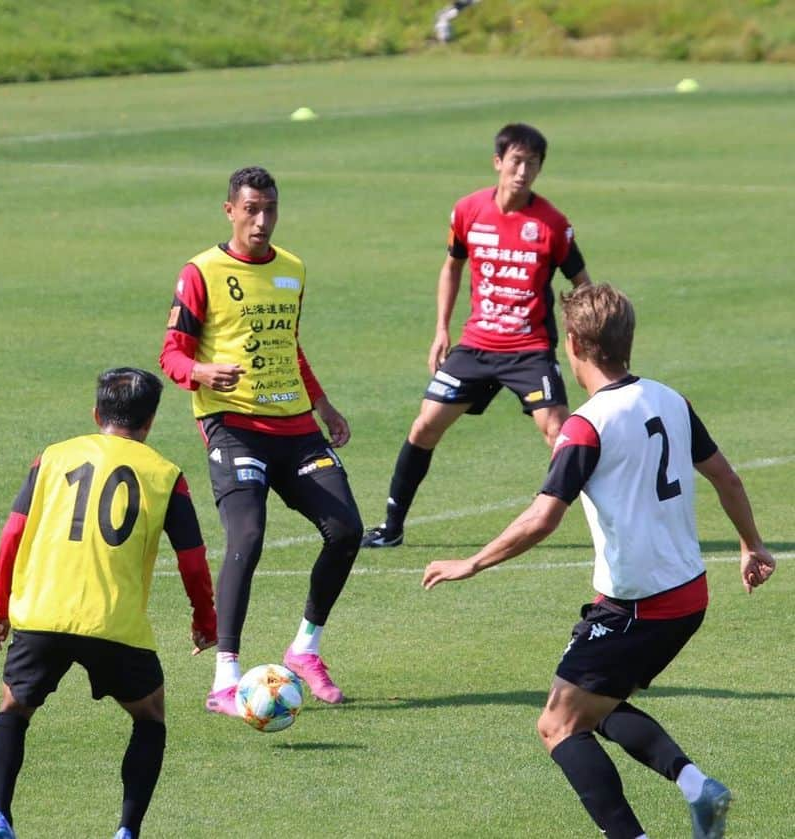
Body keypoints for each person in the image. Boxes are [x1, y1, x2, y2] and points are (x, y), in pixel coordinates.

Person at [422, 284, 775, 839]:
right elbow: (726, 477)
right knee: (599, 706)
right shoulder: (670, 399)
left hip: (638, 609)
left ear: (573, 345)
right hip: (689, 596)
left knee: (558, 725)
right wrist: (751, 544)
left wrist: (472, 562)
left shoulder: (585, 426)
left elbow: (541, 519)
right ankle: (697, 787)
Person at [159, 165, 363, 713]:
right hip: (232, 425)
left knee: (346, 530)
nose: (262, 220)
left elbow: (288, 346)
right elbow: (172, 353)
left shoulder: (292, 270)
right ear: (230, 210)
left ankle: (305, 649)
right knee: (247, 536)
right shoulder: (200, 272)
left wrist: (321, 403)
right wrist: (201, 374)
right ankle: (225, 679)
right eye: (251, 209)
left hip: (295, 426)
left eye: (270, 209)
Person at [0, 368, 217, 839]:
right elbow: (192, 558)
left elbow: (12, 534)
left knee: (12, 711)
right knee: (149, 717)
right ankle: (127, 830)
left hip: (43, 615)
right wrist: (204, 619)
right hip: (115, 623)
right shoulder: (166, 475)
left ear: (95, 415)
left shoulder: (51, 458)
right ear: (150, 422)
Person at [362, 123, 592, 548]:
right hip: (476, 345)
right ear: (498, 163)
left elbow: (583, 285)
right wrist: (440, 329)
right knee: (425, 425)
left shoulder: (552, 225)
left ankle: (610, 526)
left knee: (559, 433)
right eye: (516, 162)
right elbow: (452, 265)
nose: (523, 172)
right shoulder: (468, 211)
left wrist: (585, 340)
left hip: (529, 350)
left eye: (533, 164)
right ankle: (391, 526)